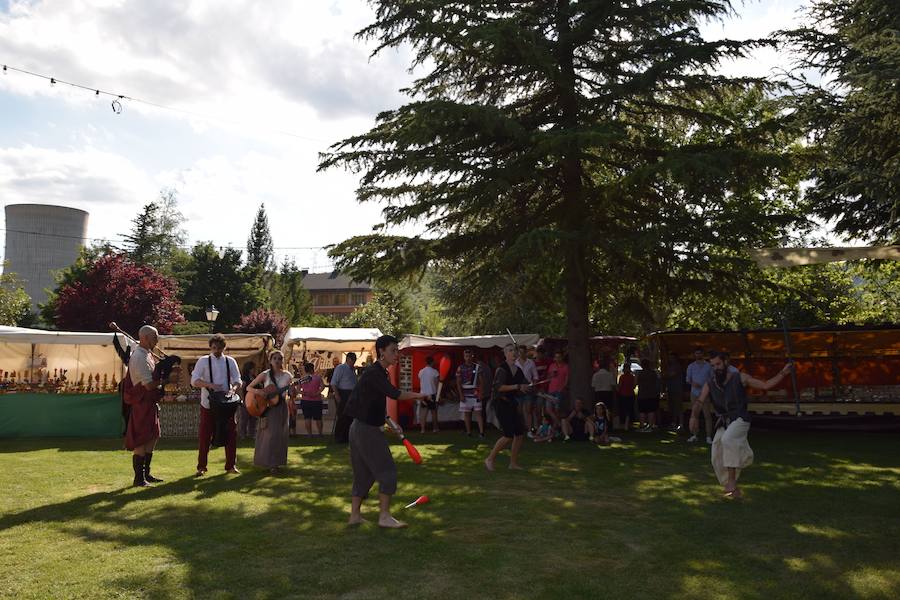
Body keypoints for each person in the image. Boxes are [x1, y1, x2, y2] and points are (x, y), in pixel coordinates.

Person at [344, 335, 426, 528]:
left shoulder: (379, 373)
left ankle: (354, 516)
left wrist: (390, 421)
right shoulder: (375, 373)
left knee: (363, 474)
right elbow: (394, 394)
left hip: (358, 428)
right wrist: (418, 395)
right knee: (387, 470)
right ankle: (384, 517)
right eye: (393, 351)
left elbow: (374, 403)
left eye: (397, 350)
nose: (397, 354)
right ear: (381, 351)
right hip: (366, 430)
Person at [690, 351, 793, 498]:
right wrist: (693, 417)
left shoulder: (740, 378)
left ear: (726, 362)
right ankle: (732, 488)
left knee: (728, 440)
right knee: (716, 453)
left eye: (718, 364)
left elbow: (765, 385)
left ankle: (732, 481)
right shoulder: (710, 382)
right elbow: (700, 401)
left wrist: (783, 373)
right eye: (712, 365)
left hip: (740, 419)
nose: (716, 368)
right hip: (724, 421)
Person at [190, 334, 242, 476]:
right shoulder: (203, 361)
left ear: (224, 347)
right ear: (210, 347)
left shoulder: (230, 361)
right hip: (208, 404)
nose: (217, 351)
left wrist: (233, 389)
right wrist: (209, 385)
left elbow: (238, 379)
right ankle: (201, 467)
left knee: (231, 434)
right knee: (205, 435)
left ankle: (231, 465)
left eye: (219, 348)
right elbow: (194, 381)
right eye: (214, 348)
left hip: (226, 404)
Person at [123, 325, 163, 487]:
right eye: (155, 337)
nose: (157, 340)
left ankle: (146, 474)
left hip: (149, 402)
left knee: (152, 436)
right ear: (145, 338)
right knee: (141, 439)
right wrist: (164, 381)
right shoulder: (139, 356)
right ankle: (139, 479)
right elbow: (147, 385)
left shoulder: (147, 354)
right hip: (142, 402)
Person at [247, 350, 293, 474]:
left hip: (282, 406)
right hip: (268, 407)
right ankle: (270, 463)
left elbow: (291, 393)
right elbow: (248, 387)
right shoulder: (265, 374)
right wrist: (259, 392)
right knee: (270, 435)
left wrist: (293, 391)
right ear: (270, 360)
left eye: (280, 359)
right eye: (275, 358)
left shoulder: (288, 375)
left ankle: (277, 463)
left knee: (281, 435)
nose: (277, 361)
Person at [485, 343, 528, 471]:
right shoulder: (501, 369)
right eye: (510, 350)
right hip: (500, 403)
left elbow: (523, 386)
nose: (513, 353)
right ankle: (489, 459)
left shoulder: (519, 371)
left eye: (514, 350)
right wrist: (517, 387)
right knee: (508, 435)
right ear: (505, 354)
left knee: (519, 434)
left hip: (511, 403)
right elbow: (500, 388)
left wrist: (527, 387)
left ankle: (513, 463)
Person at [686, 347, 714, 444]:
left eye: (700, 353)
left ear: (703, 354)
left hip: (705, 393)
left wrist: (706, 385)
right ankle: (694, 435)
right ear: (694, 355)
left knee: (707, 415)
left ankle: (708, 436)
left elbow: (712, 378)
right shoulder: (691, 366)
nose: (698, 355)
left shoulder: (709, 366)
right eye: (696, 353)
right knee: (694, 415)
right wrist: (693, 383)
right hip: (694, 393)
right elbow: (688, 379)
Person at [456, 348, 485, 438]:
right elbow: (458, 382)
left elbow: (481, 381)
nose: (468, 358)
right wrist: (460, 395)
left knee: (478, 413)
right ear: (464, 357)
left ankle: (481, 432)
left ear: (472, 356)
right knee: (467, 413)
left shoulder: (477, 367)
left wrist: (480, 393)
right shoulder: (460, 368)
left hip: (475, 392)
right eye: (466, 356)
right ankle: (468, 432)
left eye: (469, 356)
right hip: (465, 393)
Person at [330, 352, 358, 443]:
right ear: (348, 359)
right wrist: (337, 395)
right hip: (343, 393)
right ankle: (339, 437)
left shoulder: (352, 369)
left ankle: (347, 437)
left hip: (351, 394)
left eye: (354, 360)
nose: (353, 362)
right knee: (342, 416)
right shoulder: (340, 368)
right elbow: (334, 383)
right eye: (352, 360)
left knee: (350, 416)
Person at [516, 345, 539, 437]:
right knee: (518, 411)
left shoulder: (531, 363)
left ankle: (529, 430)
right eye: (520, 352)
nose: (521, 354)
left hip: (528, 389)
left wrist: (533, 383)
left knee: (528, 410)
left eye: (523, 352)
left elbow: (535, 376)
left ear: (526, 352)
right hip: (518, 389)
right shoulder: (515, 363)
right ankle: (519, 429)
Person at [298, 362, 325, 436]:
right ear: (312, 369)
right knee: (318, 418)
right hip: (316, 400)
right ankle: (320, 433)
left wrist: (304, 393)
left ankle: (309, 434)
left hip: (305, 400)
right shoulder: (317, 378)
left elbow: (298, 389)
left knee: (307, 418)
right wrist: (317, 393)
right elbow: (323, 387)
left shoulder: (302, 379)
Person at [546, 350, 569, 431]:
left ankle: (555, 429)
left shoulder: (566, 366)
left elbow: (567, 379)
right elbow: (548, 377)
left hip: (559, 391)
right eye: (556, 357)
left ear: (562, 357)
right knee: (548, 409)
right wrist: (551, 375)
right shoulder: (552, 366)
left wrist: (563, 388)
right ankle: (560, 424)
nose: (557, 358)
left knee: (557, 410)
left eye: (559, 357)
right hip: (551, 390)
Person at [636, 358, 661, 432]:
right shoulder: (653, 373)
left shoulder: (639, 373)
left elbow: (635, 383)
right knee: (651, 411)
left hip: (642, 394)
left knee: (642, 411)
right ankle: (650, 427)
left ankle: (642, 426)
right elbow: (658, 380)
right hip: (652, 394)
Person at [418, 356, 440, 433]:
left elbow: (420, 381)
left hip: (423, 394)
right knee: (434, 412)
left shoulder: (421, 371)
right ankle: (435, 428)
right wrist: (438, 394)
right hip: (432, 394)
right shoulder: (434, 372)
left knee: (423, 413)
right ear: (432, 362)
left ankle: (422, 429)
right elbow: (437, 383)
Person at [664, 353, 685, 431]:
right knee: (672, 407)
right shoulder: (669, 366)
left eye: (672, 357)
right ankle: (673, 423)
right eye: (669, 357)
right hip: (670, 389)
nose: (670, 359)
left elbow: (671, 375)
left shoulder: (677, 366)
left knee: (679, 407)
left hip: (677, 389)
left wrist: (665, 375)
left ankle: (681, 424)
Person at [238, 361, 258, 439]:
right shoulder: (244, 377)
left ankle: (252, 433)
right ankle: (242, 434)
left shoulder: (254, 376)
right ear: (249, 369)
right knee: (244, 417)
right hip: (246, 399)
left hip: (254, 400)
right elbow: (241, 389)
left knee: (253, 417)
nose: (254, 370)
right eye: (253, 368)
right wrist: (242, 399)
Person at [616, 362, 636, 431]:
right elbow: (634, 386)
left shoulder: (622, 377)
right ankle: (628, 424)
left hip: (623, 395)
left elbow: (620, 386)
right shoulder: (632, 377)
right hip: (630, 394)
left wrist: (617, 390)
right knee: (629, 409)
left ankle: (625, 424)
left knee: (624, 409)